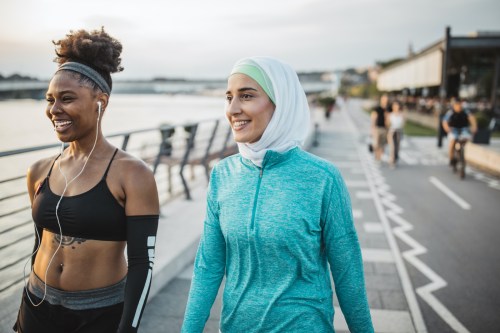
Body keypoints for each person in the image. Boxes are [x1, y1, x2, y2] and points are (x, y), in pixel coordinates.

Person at [181, 56, 374, 332]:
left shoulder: (322, 178)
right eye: (229, 97)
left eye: (246, 96)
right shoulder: (223, 175)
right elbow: (208, 265)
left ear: (280, 103)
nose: (233, 109)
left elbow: (348, 273)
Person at [13, 28, 159, 333]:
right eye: (50, 99)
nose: (54, 110)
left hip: (99, 313)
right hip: (37, 305)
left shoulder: (133, 174)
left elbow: (141, 264)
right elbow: (41, 243)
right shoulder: (40, 170)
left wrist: (127, 328)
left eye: (67, 99)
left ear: (100, 102)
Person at [442, 98, 477, 165]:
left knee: (467, 138)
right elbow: (445, 121)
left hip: (464, 129)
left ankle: (461, 149)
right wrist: (447, 129)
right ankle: (451, 159)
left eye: (459, 105)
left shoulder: (465, 112)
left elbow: (472, 118)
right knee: (452, 141)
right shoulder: (450, 112)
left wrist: (474, 127)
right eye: (457, 105)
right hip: (453, 129)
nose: (459, 106)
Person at [371, 94, 390, 163]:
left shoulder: (389, 109)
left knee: (383, 144)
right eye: (383, 99)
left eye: (386, 99)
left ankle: (380, 157)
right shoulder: (377, 108)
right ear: (381, 100)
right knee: (377, 144)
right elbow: (373, 118)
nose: (385, 101)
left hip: (386, 129)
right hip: (378, 128)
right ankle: (377, 157)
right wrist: (372, 129)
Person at [387, 100, 405, 168]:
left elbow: (403, 124)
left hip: (399, 131)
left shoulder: (402, 115)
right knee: (392, 147)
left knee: (397, 147)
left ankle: (395, 159)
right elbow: (388, 125)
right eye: (394, 106)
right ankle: (392, 160)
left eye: (397, 105)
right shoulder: (390, 115)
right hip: (392, 132)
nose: (396, 107)